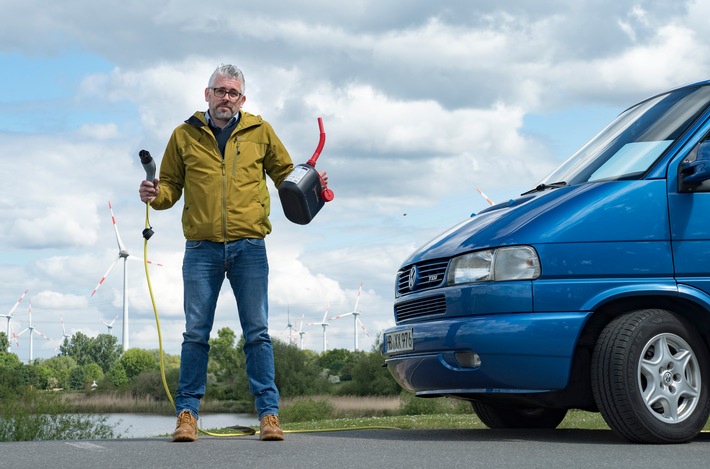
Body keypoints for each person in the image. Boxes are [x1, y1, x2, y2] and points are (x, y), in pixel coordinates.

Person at [139, 64, 326, 442]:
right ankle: (187, 416)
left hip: (250, 246)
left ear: (243, 99)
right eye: (220, 91)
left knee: (257, 334)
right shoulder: (183, 135)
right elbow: (171, 188)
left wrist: (311, 184)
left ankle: (269, 416)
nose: (227, 98)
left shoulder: (261, 131)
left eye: (233, 93)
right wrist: (155, 195)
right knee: (195, 335)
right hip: (201, 249)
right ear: (206, 94)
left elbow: (286, 175)